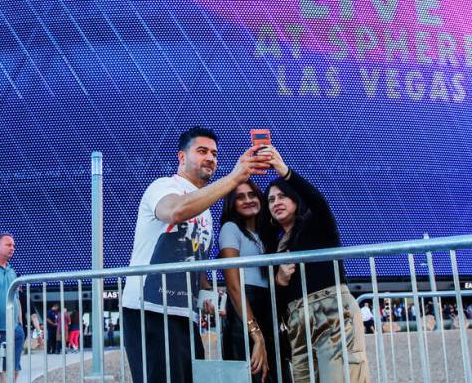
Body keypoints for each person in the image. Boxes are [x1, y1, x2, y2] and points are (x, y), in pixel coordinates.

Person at [122, 126, 272, 383]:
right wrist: (234, 178)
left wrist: (209, 294)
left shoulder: (205, 209)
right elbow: (175, 211)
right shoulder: (164, 186)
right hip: (150, 307)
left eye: (214, 153)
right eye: (202, 151)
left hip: (185, 313)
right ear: (181, 157)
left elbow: (195, 260)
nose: (211, 158)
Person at [263, 146, 370, 383]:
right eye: (271, 200)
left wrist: (284, 171)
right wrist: (279, 281)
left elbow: (319, 202)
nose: (276, 202)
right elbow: (277, 298)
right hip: (297, 322)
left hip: (331, 314)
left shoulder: (318, 226)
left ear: (296, 200)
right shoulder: (274, 246)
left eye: (283, 196)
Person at [218, 180, 277, 382]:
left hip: (267, 314)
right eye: (240, 197)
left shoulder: (266, 234)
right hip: (244, 315)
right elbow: (234, 286)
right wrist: (255, 334)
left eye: (252, 194)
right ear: (232, 204)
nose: (248, 200)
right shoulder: (230, 229)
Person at [0, 232, 41, 383]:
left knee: (10, 371)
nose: (13, 248)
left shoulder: (11, 271)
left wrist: (20, 327)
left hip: (12, 330)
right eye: (8, 245)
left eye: (14, 245)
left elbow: (15, 299)